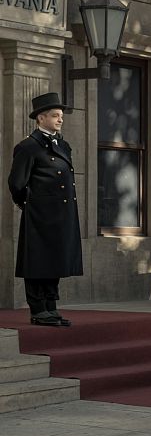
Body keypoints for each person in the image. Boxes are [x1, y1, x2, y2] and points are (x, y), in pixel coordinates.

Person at [8, 93, 82, 327]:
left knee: (55, 260)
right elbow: (16, 183)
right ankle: (38, 309)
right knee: (38, 261)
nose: (60, 120)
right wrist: (28, 204)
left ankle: (51, 306)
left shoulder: (63, 145)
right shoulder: (28, 146)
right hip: (40, 214)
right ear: (41, 118)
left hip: (62, 215)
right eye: (55, 115)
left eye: (61, 116)